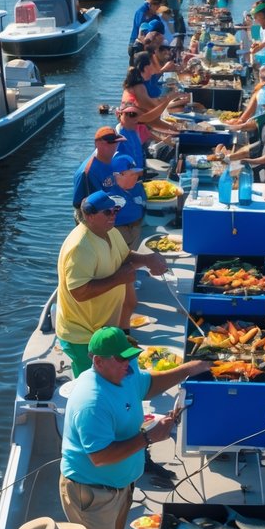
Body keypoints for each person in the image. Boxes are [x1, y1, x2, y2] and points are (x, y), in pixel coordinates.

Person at [59, 326, 209, 529]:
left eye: (129, 357)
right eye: (120, 359)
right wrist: (149, 437)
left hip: (118, 486)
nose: (128, 364)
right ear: (98, 361)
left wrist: (191, 368)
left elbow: (150, 383)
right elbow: (100, 457)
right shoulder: (91, 401)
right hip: (91, 491)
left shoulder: (124, 375)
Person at [55, 192, 168, 375]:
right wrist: (118, 279)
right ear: (89, 215)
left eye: (115, 210)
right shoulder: (80, 248)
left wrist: (148, 259)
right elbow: (79, 292)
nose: (113, 215)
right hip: (83, 336)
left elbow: (123, 257)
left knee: (117, 377)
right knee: (93, 385)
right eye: (107, 212)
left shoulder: (110, 232)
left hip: (105, 329)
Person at [71, 128, 126, 213]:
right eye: (110, 143)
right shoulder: (89, 171)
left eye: (117, 142)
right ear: (97, 144)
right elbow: (87, 206)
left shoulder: (109, 159)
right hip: (94, 218)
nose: (114, 146)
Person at [109, 153, 147, 250]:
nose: (136, 177)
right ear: (118, 175)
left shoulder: (138, 188)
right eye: (132, 174)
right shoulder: (109, 195)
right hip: (118, 234)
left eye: (136, 174)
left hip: (136, 229)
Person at [248, 0, 265, 67]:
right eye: (254, 16)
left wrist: (258, 47)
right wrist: (256, 44)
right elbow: (261, 40)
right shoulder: (261, 27)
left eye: (257, 16)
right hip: (259, 60)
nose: (254, 19)